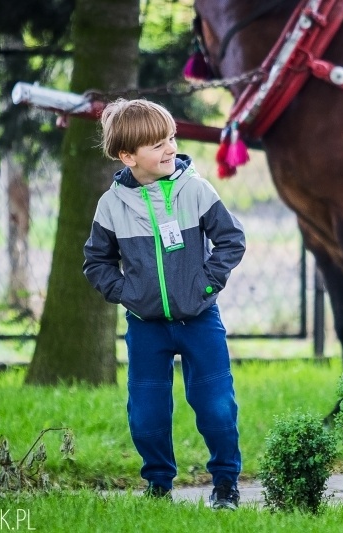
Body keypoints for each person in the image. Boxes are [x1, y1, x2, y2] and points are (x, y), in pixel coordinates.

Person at [83, 98, 246, 510]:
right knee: (147, 416)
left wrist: (206, 287)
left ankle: (225, 483)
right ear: (128, 156)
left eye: (171, 137)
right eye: (157, 144)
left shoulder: (195, 189)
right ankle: (158, 486)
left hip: (200, 321)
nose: (170, 148)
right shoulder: (112, 205)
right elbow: (96, 262)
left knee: (216, 407)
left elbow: (231, 240)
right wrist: (127, 294)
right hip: (146, 328)